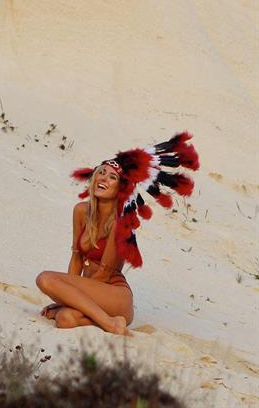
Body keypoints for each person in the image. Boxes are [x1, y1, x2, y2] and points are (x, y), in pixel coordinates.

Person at [36, 133, 199, 335]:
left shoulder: (120, 222)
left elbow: (104, 273)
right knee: (64, 319)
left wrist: (68, 295)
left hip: (113, 294)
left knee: (45, 279)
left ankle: (109, 323)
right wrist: (66, 299)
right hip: (91, 293)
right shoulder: (80, 211)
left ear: (120, 188)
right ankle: (110, 321)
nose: (104, 178)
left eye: (112, 177)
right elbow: (77, 257)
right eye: (101, 173)